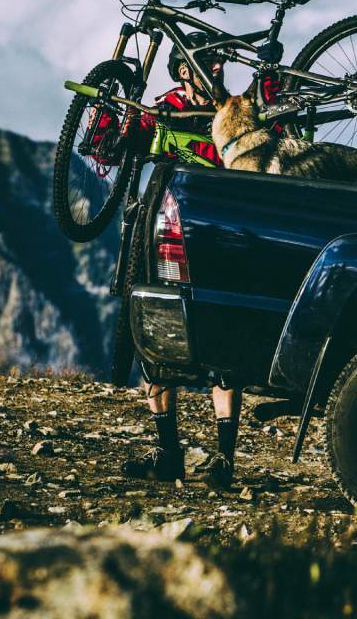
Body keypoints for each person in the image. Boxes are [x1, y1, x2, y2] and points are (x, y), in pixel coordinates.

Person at [120, 32, 241, 489]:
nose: (216, 69)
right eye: (206, 62)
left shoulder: (234, 111)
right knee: (153, 337)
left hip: (216, 230)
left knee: (222, 344)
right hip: (163, 226)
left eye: (219, 63)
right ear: (184, 69)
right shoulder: (162, 106)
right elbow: (128, 144)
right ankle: (167, 453)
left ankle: (222, 461)